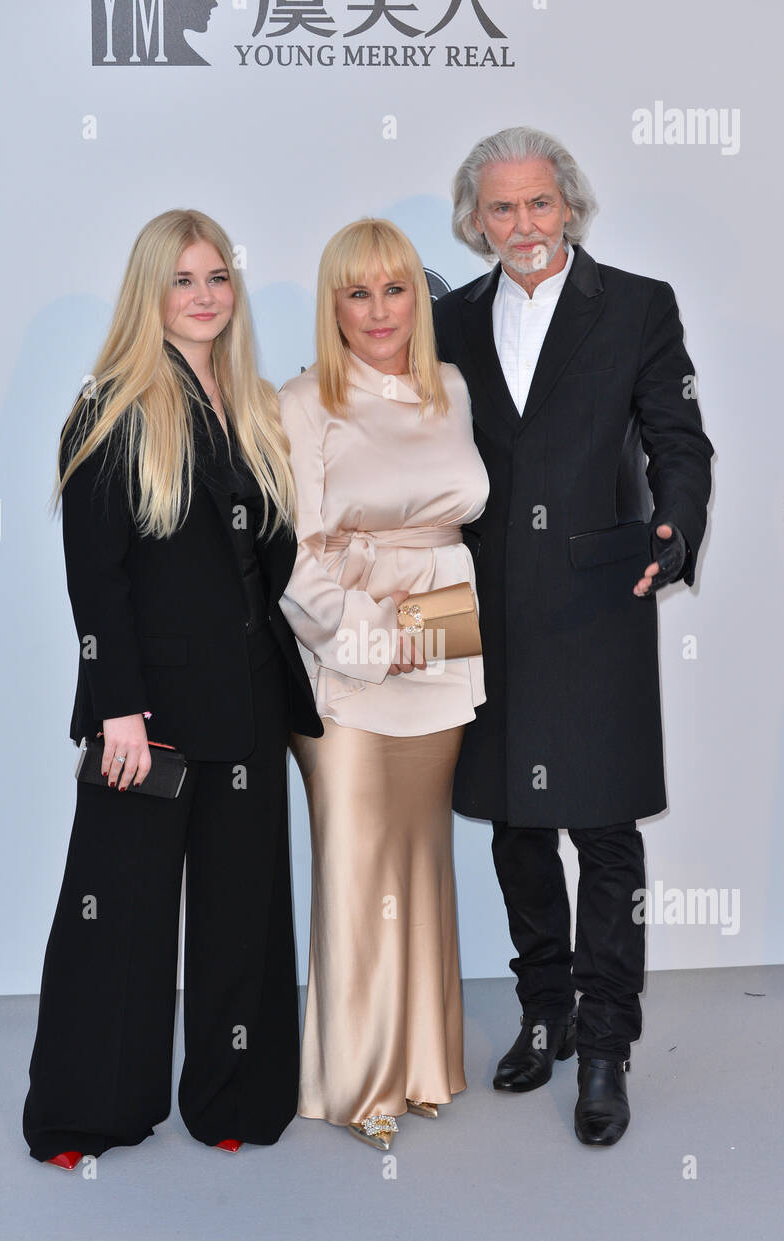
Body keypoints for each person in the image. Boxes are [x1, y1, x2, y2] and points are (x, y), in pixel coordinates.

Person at [22, 208, 323, 1167]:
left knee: (246, 915)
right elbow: (95, 576)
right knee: (117, 918)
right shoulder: (110, 405)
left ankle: (237, 1097)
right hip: (144, 716)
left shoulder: (255, 404)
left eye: (217, 278)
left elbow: (272, 563)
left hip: (248, 700)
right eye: (183, 280)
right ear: (149, 294)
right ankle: (88, 1113)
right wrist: (117, 707)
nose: (204, 297)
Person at [433, 127, 713, 1146]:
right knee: (512, 822)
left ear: (570, 206)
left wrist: (673, 532)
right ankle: (544, 1011)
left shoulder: (637, 305)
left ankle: (605, 1043)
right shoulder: (445, 319)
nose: (522, 225)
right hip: (485, 605)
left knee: (601, 831)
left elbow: (678, 438)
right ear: (476, 220)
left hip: (597, 599)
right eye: (500, 208)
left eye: (538, 204)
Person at [279, 218, 489, 1150]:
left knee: (418, 861)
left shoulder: (450, 387)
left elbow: (456, 530)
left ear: (419, 296)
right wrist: (370, 635)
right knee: (358, 863)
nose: (377, 311)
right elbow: (288, 557)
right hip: (347, 661)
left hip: (445, 643)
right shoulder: (301, 400)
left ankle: (424, 1064)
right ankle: (357, 1078)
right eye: (356, 293)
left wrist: (426, 633)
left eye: (394, 289)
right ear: (333, 306)